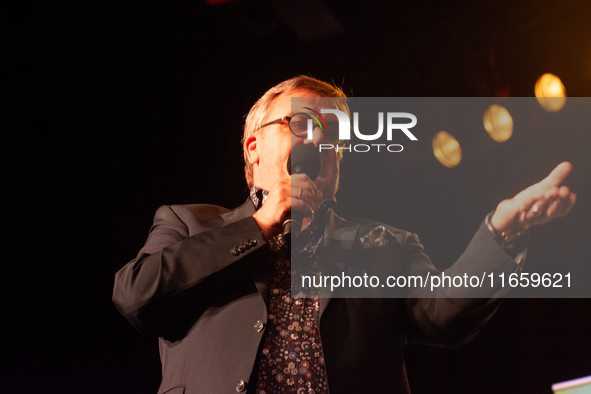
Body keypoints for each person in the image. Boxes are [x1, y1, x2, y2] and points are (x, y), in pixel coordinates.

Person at [113, 76, 576, 394]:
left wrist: (501, 232)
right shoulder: (189, 223)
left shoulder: (384, 245)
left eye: (333, 131)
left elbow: (442, 315)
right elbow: (137, 295)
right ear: (254, 147)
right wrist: (259, 224)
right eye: (302, 123)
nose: (320, 140)